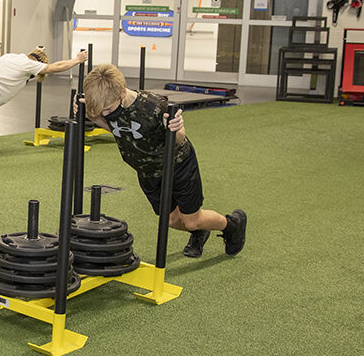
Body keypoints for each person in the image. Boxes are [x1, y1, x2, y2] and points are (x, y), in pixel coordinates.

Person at [81, 64, 246, 257]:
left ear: (122, 92)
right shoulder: (106, 106)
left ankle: (232, 225)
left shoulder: (153, 105)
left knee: (191, 220)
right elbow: (117, 129)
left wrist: (176, 127)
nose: (105, 114)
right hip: (148, 172)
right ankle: (200, 231)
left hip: (178, 165)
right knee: (172, 221)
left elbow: (180, 137)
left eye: (108, 109)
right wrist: (89, 114)